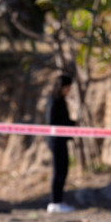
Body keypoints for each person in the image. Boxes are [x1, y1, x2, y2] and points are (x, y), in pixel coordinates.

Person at [45, 74, 76, 213]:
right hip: (56, 140)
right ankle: (54, 201)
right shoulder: (54, 101)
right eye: (68, 87)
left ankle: (58, 200)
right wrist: (71, 124)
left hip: (61, 140)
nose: (69, 90)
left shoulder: (60, 100)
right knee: (58, 171)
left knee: (63, 169)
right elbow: (53, 122)